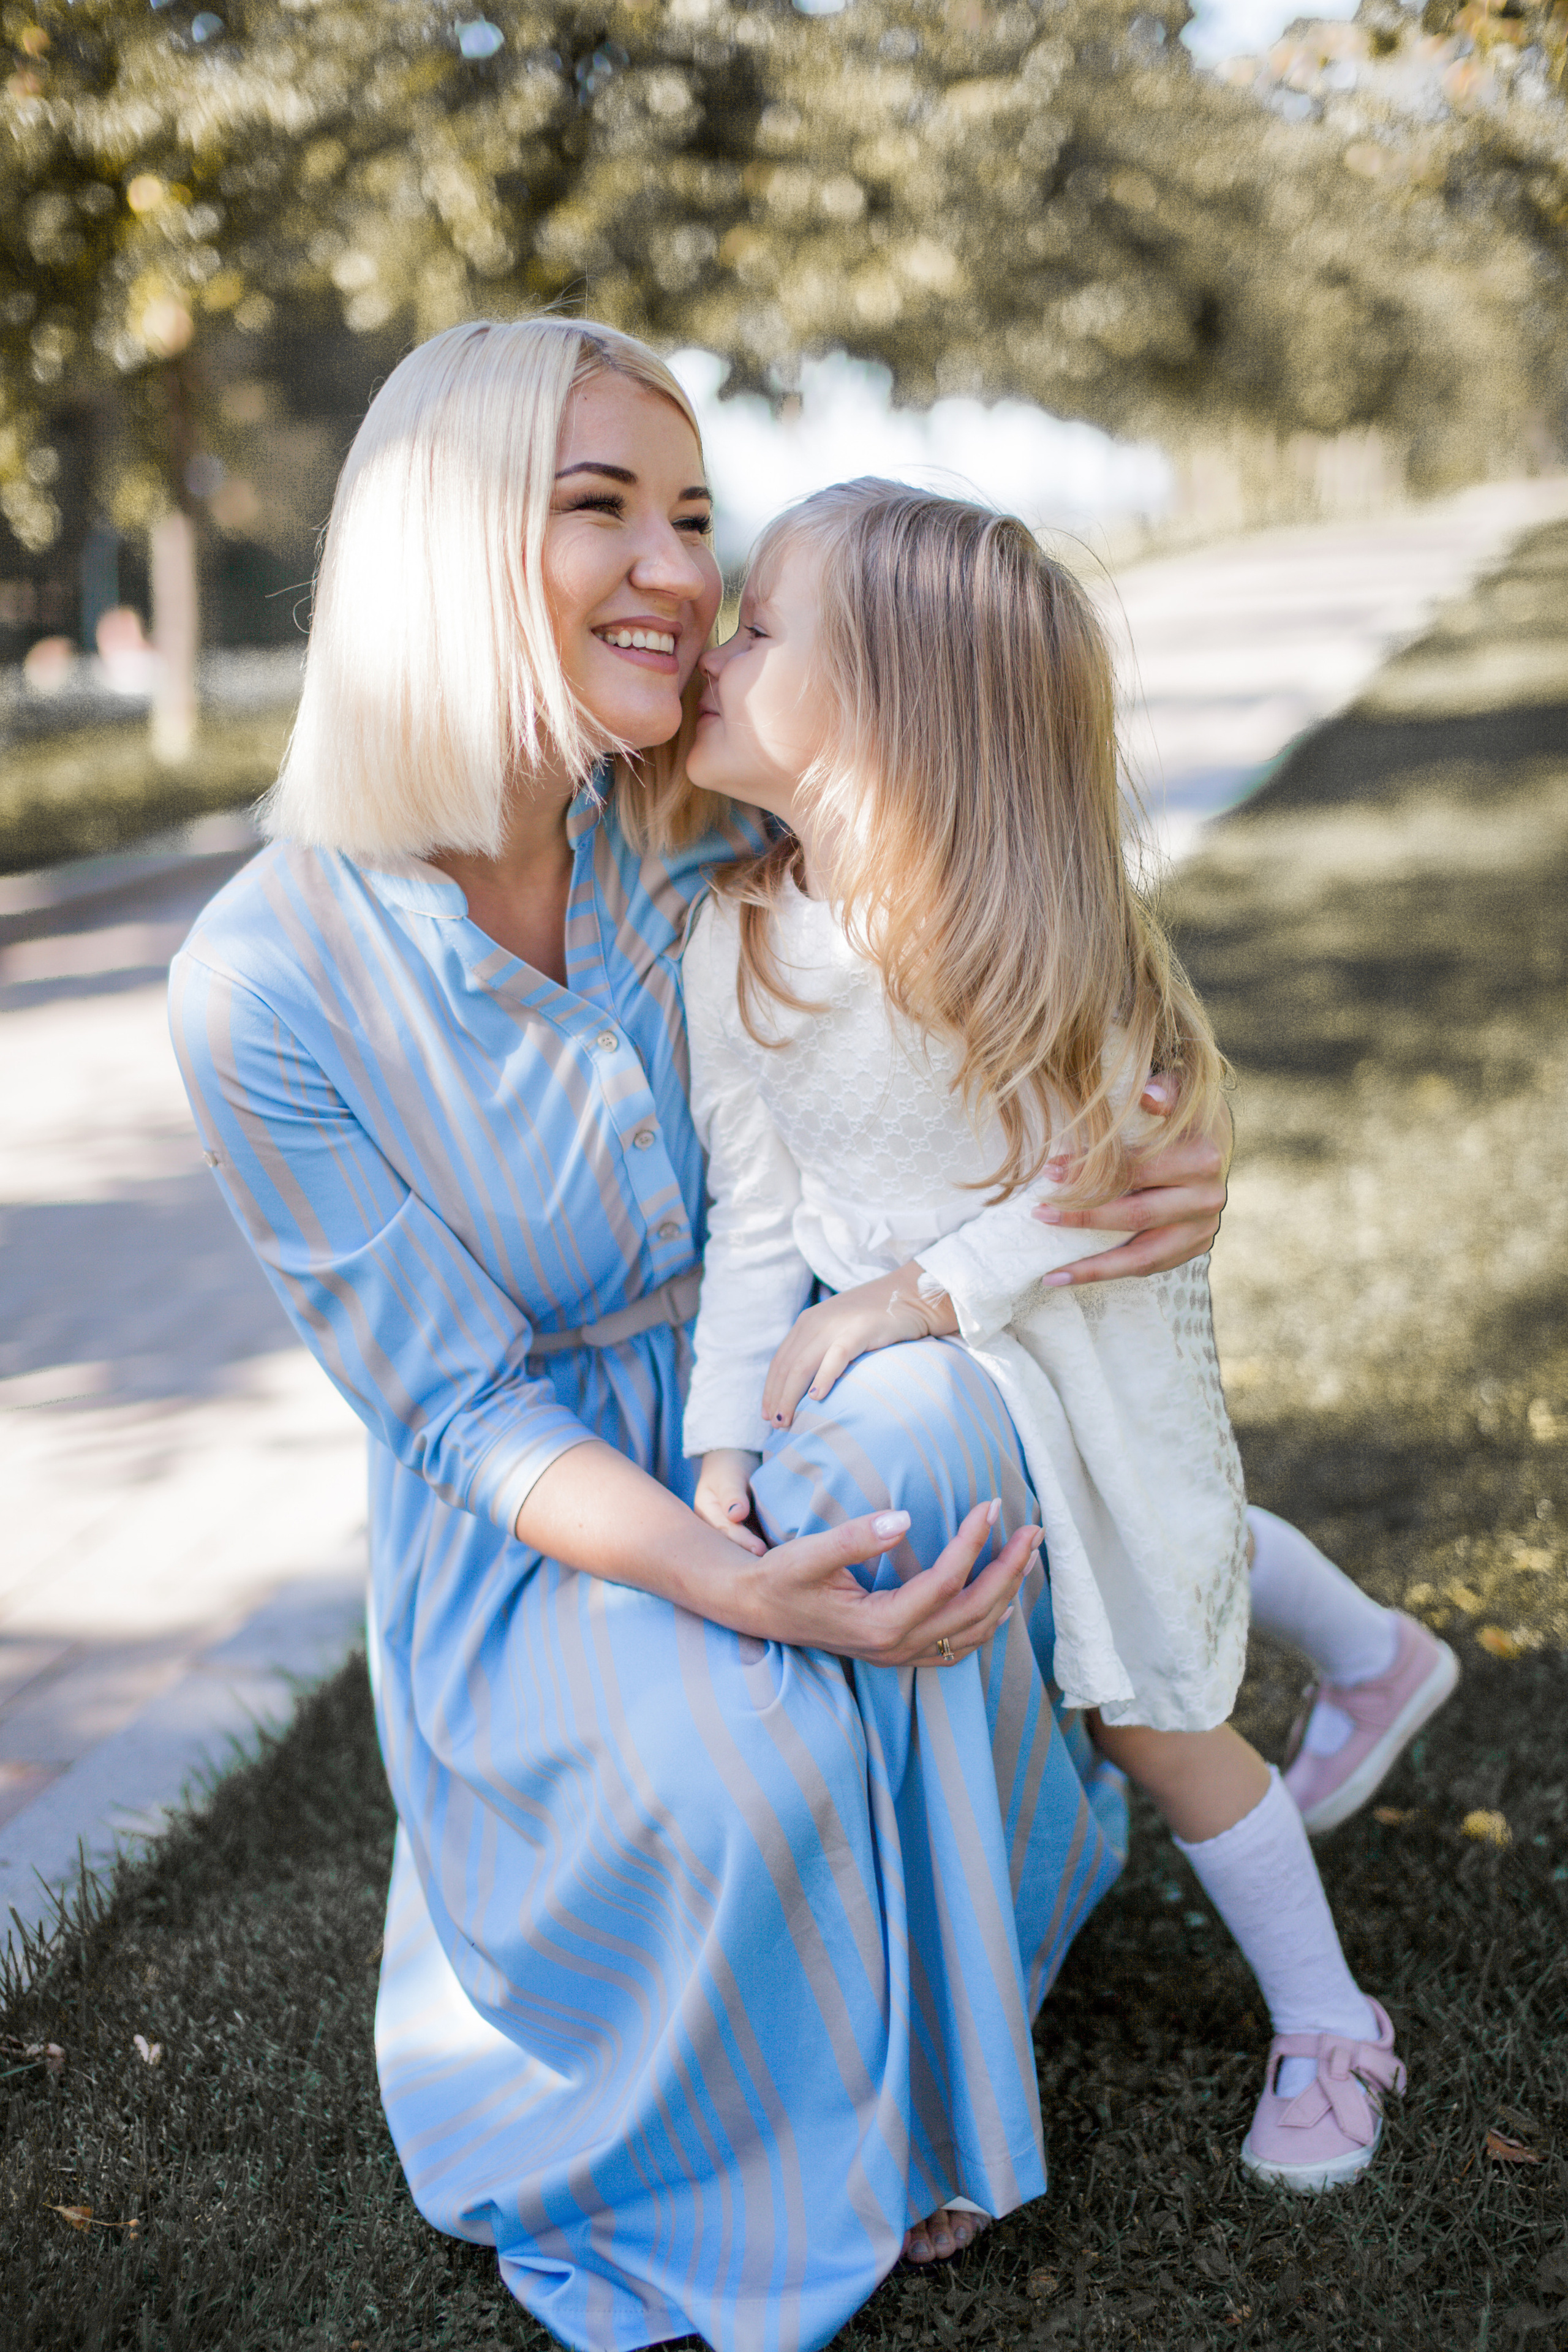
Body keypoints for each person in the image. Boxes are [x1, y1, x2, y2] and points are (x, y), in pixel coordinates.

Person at [167, 319, 1238, 2350]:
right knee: (742, 1764)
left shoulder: (694, 805)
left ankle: (944, 2055)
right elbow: (460, 1412)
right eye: (601, 510)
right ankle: (775, 2106)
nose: (679, 572)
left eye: (691, 516)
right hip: (549, 1513)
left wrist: (1181, 1154)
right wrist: (738, 1581)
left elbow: (1022, 931)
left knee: (929, 1447)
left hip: (801, 1366)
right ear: (443, 542)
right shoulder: (263, 984)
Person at [680, 481, 1456, 2195]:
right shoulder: (729, 938)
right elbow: (754, 1219)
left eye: (758, 627)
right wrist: (720, 1445)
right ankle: (1381, 1657)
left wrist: (918, 1297)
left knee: (1151, 1692)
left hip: (1077, 1333)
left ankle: (1329, 2019)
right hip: (959, 1364)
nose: (713, 651)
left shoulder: (1011, 929)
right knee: (1121, 1559)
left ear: (890, 702)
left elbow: (1098, 1184)